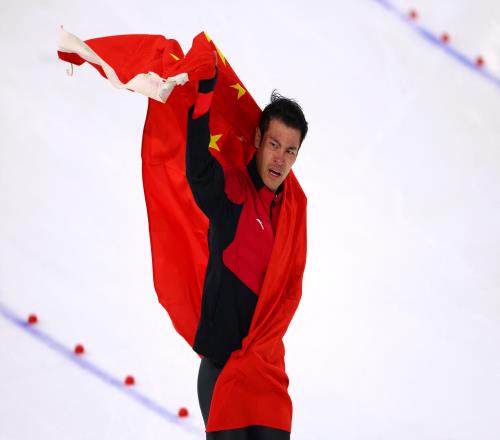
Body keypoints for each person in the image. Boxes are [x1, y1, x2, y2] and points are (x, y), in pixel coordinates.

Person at [185, 66, 308, 439]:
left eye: (290, 150)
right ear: (257, 139)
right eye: (274, 144)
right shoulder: (234, 194)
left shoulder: (292, 212)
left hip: (265, 373)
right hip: (223, 373)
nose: (280, 159)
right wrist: (204, 97)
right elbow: (199, 171)